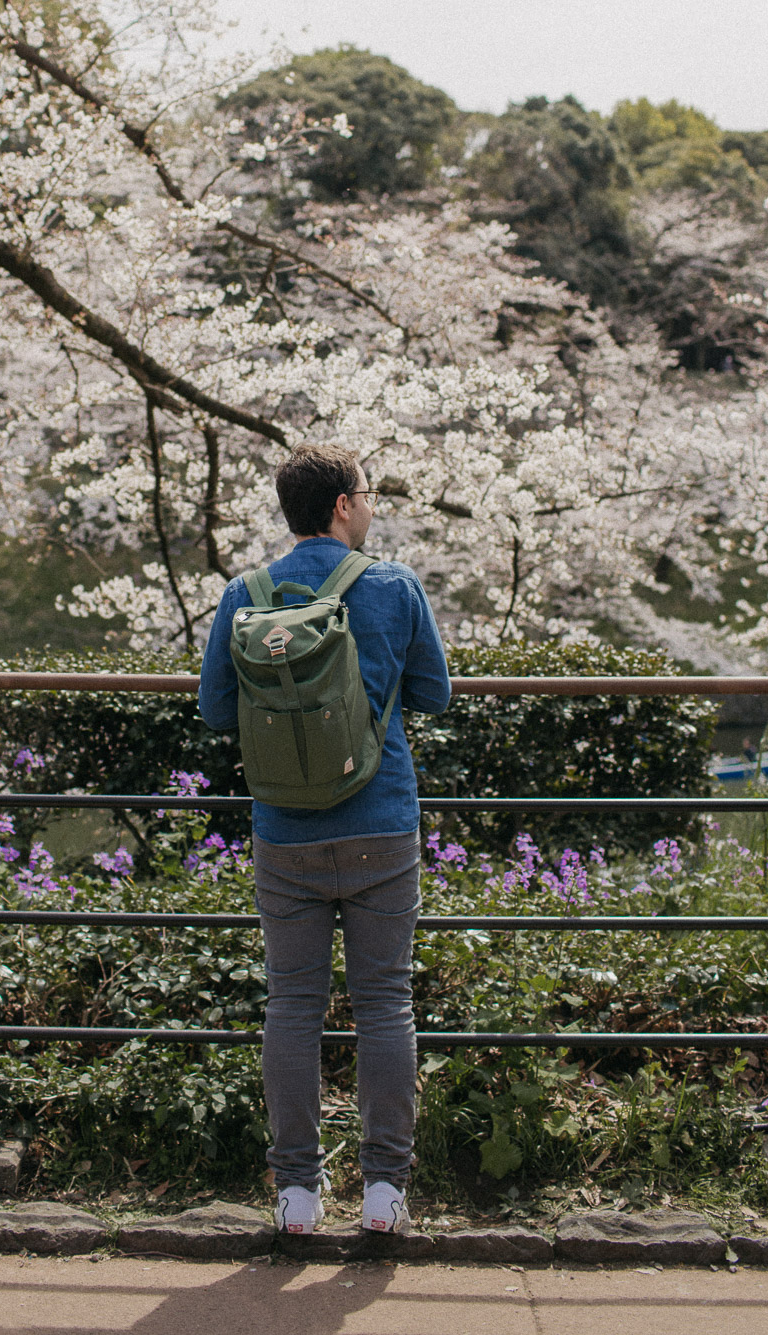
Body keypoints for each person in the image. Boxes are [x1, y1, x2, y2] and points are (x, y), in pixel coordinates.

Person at [198, 443, 451, 1236]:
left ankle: (297, 1192)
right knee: (384, 1001)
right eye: (367, 494)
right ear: (342, 505)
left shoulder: (245, 593)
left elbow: (213, 709)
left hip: (283, 833)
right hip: (380, 824)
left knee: (293, 1003)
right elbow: (434, 694)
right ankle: (383, 1191)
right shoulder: (393, 584)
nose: (371, 506)